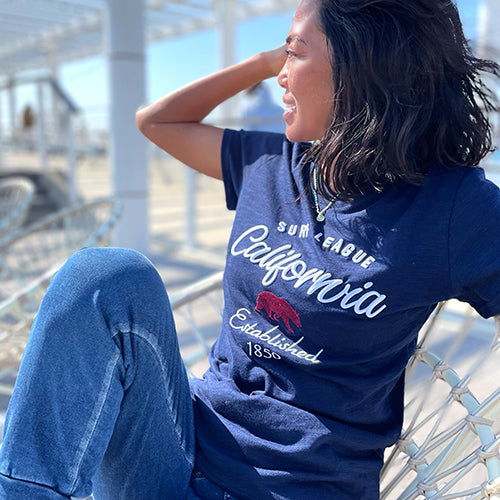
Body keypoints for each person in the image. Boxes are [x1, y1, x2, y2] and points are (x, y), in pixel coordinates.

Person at [1, 0, 499, 498]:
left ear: (362, 64)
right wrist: (269, 59)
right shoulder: (274, 164)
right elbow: (157, 122)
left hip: (296, 486)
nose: (280, 76)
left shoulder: (453, 207)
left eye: (295, 55)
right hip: (181, 447)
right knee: (105, 277)